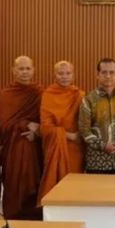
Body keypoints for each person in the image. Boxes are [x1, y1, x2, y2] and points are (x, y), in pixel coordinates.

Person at [0, 56, 44, 220]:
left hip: (35, 150)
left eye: (28, 68)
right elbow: (2, 124)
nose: (24, 72)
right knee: (14, 186)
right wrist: (25, 124)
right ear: (13, 71)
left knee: (35, 187)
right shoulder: (6, 94)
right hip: (13, 150)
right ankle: (13, 222)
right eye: (21, 69)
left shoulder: (39, 92)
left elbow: (47, 120)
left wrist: (37, 131)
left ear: (33, 70)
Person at [37, 61, 84, 203]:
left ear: (73, 75)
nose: (64, 76)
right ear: (55, 75)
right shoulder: (48, 94)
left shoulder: (79, 95)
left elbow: (85, 122)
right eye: (60, 73)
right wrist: (69, 135)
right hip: (56, 145)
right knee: (55, 184)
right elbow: (45, 127)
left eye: (68, 73)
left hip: (75, 149)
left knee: (74, 183)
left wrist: (78, 136)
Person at [79, 58, 115, 174]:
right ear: (97, 75)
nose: (108, 76)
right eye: (104, 72)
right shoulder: (88, 100)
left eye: (112, 72)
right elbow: (84, 131)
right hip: (96, 163)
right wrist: (103, 145)